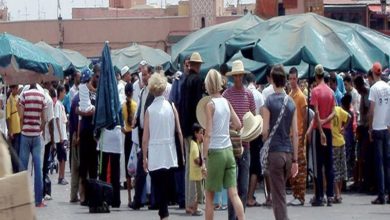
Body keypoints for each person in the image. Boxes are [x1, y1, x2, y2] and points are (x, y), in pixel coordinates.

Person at [201, 69, 245, 220]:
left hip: (216, 151)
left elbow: (208, 134)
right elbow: (239, 124)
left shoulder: (210, 105)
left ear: (207, 84)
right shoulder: (226, 102)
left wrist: (203, 159)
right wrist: (226, 126)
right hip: (228, 151)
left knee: (209, 197)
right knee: (233, 194)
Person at [142, 73, 183, 220]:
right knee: (166, 186)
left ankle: (163, 214)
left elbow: (145, 138)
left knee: (158, 187)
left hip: (155, 154)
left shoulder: (149, 110)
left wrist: (144, 157)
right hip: (169, 152)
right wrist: (182, 154)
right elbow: (179, 131)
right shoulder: (171, 106)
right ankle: (164, 214)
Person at [262, 64, 298, 220]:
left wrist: (265, 142)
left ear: (273, 81)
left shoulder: (268, 102)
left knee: (278, 195)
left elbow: (264, 131)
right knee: (280, 191)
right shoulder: (291, 102)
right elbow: (295, 133)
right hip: (288, 153)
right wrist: (295, 159)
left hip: (275, 152)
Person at [222, 60, 256, 219]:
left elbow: (254, 118)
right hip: (231, 145)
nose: (238, 78)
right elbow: (222, 118)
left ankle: (240, 216)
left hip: (246, 145)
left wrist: (249, 129)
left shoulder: (249, 94)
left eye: (240, 75)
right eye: (235, 76)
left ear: (242, 76)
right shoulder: (226, 95)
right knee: (232, 186)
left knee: (243, 186)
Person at [179, 52, 204, 213]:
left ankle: (189, 201)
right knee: (196, 165)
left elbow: (183, 106)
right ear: (198, 65)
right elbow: (197, 106)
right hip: (194, 128)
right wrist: (199, 129)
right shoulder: (197, 81)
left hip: (185, 128)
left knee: (189, 165)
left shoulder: (184, 81)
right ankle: (193, 204)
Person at [310, 64, 336, 207]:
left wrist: (320, 131)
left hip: (318, 130)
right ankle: (330, 195)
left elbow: (316, 113)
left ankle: (319, 195)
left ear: (315, 75)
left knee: (318, 164)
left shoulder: (315, 91)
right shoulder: (330, 92)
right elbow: (333, 112)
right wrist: (326, 122)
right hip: (329, 129)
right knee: (329, 163)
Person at [130, 65, 154, 210]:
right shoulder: (143, 91)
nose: (143, 77)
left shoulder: (153, 92)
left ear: (150, 75)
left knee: (146, 169)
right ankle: (140, 199)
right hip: (141, 134)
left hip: (150, 136)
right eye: (142, 75)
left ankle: (144, 199)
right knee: (142, 170)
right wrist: (135, 119)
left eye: (145, 75)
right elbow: (141, 108)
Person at [19, 83, 47, 207]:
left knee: (23, 168)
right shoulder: (42, 96)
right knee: (38, 169)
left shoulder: (24, 95)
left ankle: (22, 199)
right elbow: (45, 119)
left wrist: (23, 128)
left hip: (25, 134)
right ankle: (38, 200)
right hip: (36, 136)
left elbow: (21, 116)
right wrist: (39, 129)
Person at [368, 62, 390, 205]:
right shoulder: (388, 87)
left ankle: (381, 194)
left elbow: (371, 110)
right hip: (386, 127)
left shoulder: (374, 88)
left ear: (372, 73)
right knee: (388, 162)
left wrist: (369, 128)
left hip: (377, 127)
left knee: (380, 163)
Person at [78, 64, 100, 206]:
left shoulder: (99, 92)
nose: (98, 79)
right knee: (84, 166)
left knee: (93, 166)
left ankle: (91, 195)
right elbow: (82, 110)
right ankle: (83, 195)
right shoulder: (83, 90)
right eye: (97, 76)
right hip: (86, 132)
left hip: (95, 133)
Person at [287, 67, 308, 206]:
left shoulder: (301, 96)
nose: (292, 81)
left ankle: (300, 196)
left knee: (300, 165)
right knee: (292, 166)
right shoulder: (290, 94)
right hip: (290, 135)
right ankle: (295, 193)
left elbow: (305, 117)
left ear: (297, 79)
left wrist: (303, 134)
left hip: (298, 135)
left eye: (294, 79)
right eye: (291, 79)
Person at [246, 73, 264, 207]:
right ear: (255, 81)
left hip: (245, 133)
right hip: (257, 133)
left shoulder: (244, 93)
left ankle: (244, 193)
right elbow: (262, 115)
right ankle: (250, 197)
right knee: (255, 167)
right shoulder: (259, 95)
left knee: (245, 164)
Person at [354, 75, 375, 192]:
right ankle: (365, 182)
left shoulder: (367, 93)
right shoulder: (363, 94)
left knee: (366, 157)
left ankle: (368, 183)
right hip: (363, 127)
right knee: (362, 157)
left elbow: (368, 112)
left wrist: (367, 126)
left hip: (367, 128)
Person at [332, 96, 351, 203]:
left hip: (334, 143)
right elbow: (349, 116)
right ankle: (338, 193)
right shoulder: (339, 109)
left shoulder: (329, 112)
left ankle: (337, 194)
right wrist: (344, 127)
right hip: (341, 141)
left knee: (334, 170)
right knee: (340, 169)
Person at [122, 83, 137, 207]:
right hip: (134, 136)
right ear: (132, 92)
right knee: (135, 164)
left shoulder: (122, 106)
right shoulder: (135, 105)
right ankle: (136, 195)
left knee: (128, 165)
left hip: (126, 136)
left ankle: (129, 197)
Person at [54, 85, 68, 185]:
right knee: (61, 158)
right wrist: (60, 135)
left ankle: (62, 176)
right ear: (60, 92)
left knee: (63, 157)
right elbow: (57, 120)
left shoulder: (61, 105)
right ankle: (61, 177)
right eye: (64, 92)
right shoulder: (57, 105)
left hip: (63, 135)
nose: (65, 94)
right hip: (60, 137)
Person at [188, 123, 204, 216]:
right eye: (200, 133)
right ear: (195, 133)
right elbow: (196, 159)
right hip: (195, 174)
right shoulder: (194, 145)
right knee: (197, 193)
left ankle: (196, 208)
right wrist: (202, 164)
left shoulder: (197, 143)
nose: (202, 135)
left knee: (198, 192)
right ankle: (194, 209)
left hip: (197, 174)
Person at [69, 93, 82, 203]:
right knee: (83, 167)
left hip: (74, 135)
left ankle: (73, 195)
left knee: (75, 167)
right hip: (82, 135)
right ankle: (83, 195)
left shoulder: (74, 99)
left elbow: (71, 122)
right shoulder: (83, 99)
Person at [6, 85, 21, 154]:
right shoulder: (9, 101)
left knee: (18, 150)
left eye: (17, 88)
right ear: (12, 89)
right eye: (16, 88)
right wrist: (10, 131)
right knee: (15, 150)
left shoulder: (18, 98)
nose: (17, 89)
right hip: (14, 130)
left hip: (20, 129)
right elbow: (8, 117)